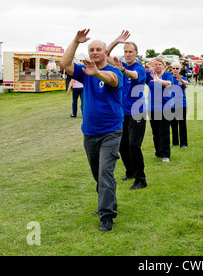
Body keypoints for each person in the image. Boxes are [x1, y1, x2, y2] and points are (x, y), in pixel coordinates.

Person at [61, 29, 124, 231]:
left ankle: (106, 216)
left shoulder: (113, 71)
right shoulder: (84, 71)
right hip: (89, 132)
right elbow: (65, 63)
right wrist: (75, 41)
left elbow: (112, 80)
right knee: (98, 174)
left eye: (99, 49)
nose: (95, 52)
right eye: (91, 49)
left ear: (106, 53)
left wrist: (96, 72)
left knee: (106, 172)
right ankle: (108, 204)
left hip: (111, 131)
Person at [107, 31, 148, 190]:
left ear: (136, 53)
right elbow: (105, 54)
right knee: (122, 145)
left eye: (131, 52)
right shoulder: (119, 64)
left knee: (134, 145)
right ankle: (130, 171)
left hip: (137, 112)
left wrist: (123, 70)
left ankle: (141, 179)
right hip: (122, 112)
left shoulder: (138, 68)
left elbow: (135, 75)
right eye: (126, 52)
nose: (128, 54)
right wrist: (117, 41)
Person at [146, 57, 174, 162]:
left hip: (166, 108)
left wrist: (158, 80)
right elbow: (138, 74)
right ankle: (158, 152)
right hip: (153, 108)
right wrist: (147, 66)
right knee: (156, 132)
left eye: (159, 64)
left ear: (163, 65)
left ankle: (165, 155)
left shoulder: (168, 75)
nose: (157, 66)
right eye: (155, 64)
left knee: (164, 131)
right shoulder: (150, 75)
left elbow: (169, 84)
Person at [170, 61, 188, 149]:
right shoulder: (169, 77)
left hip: (182, 104)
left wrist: (181, 80)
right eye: (174, 68)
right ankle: (175, 141)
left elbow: (186, 84)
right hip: (171, 105)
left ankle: (184, 143)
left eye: (177, 68)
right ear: (171, 69)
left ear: (180, 69)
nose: (175, 70)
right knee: (173, 124)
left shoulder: (183, 78)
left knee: (182, 124)